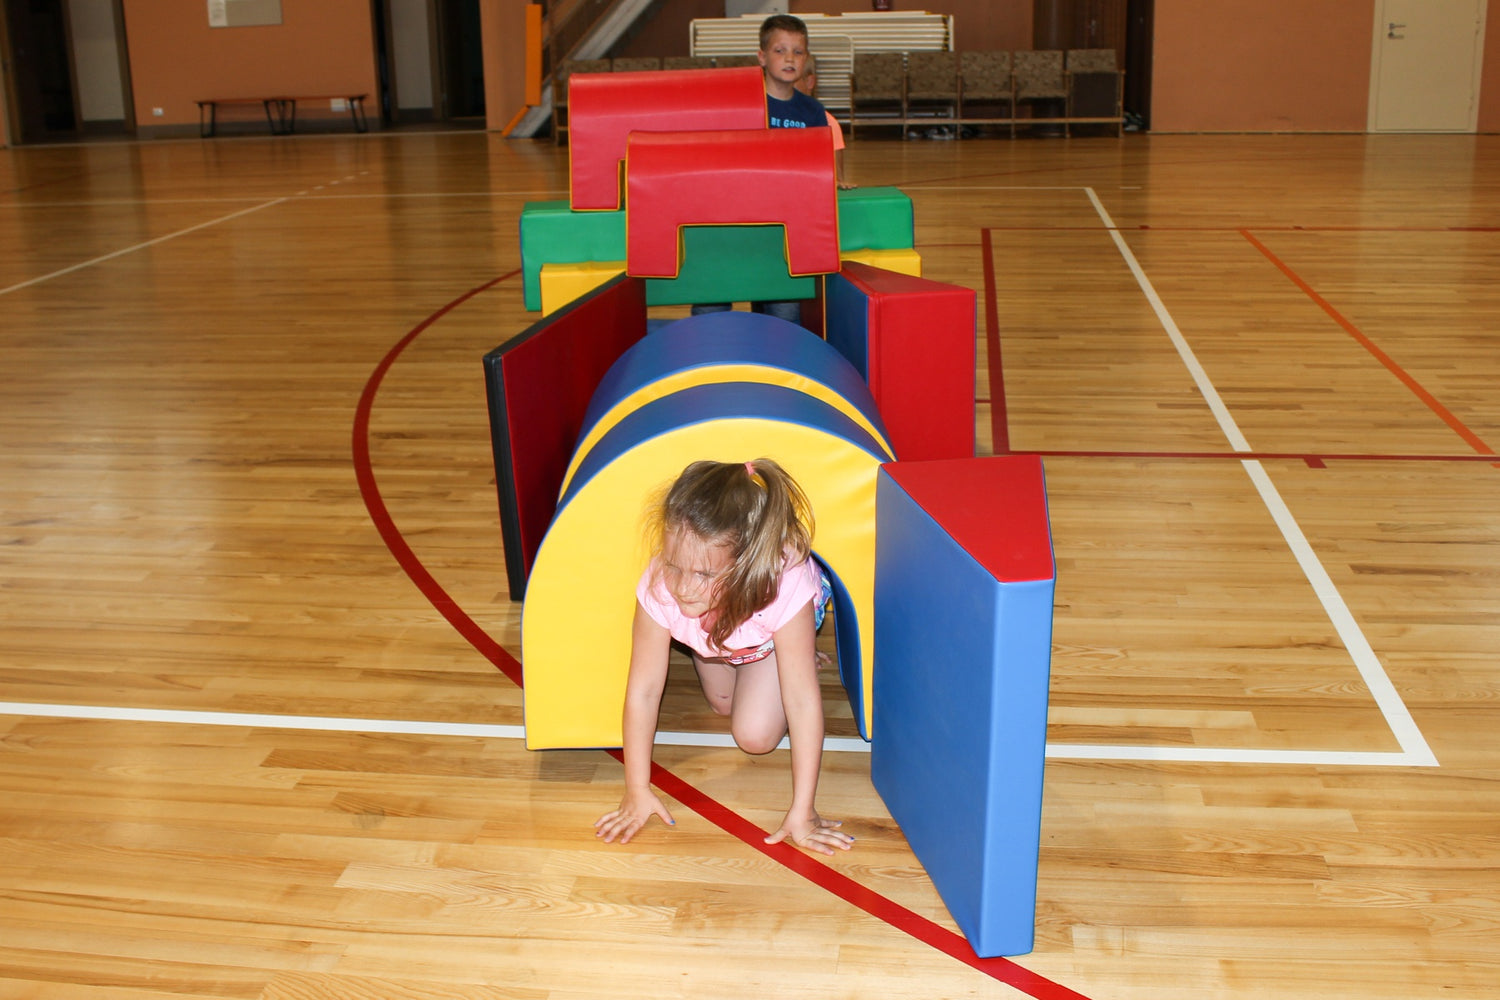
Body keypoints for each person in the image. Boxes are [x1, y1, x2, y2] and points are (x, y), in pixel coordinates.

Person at [594, 459, 854, 856]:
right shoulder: (663, 585)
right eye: (675, 566)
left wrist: (804, 812)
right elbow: (644, 691)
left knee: (754, 736)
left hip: (766, 632)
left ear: (744, 565)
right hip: (728, 635)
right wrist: (636, 789)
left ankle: (789, 652)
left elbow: (801, 701)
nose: (683, 587)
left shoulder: (783, 587)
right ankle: (720, 646)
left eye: (702, 575)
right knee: (721, 703)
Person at [691, 14, 833, 325]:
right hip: (731, 225)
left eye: (797, 51)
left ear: (806, 58)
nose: (789, 58)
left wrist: (830, 181)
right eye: (780, 50)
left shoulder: (812, 111)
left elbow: (818, 165)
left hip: (784, 231)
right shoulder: (738, 104)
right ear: (762, 56)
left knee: (784, 315)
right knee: (709, 311)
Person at [795, 52, 855, 190]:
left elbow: (838, 179)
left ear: (809, 82)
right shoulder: (771, 116)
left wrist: (838, 182)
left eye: (792, 80)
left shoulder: (829, 123)